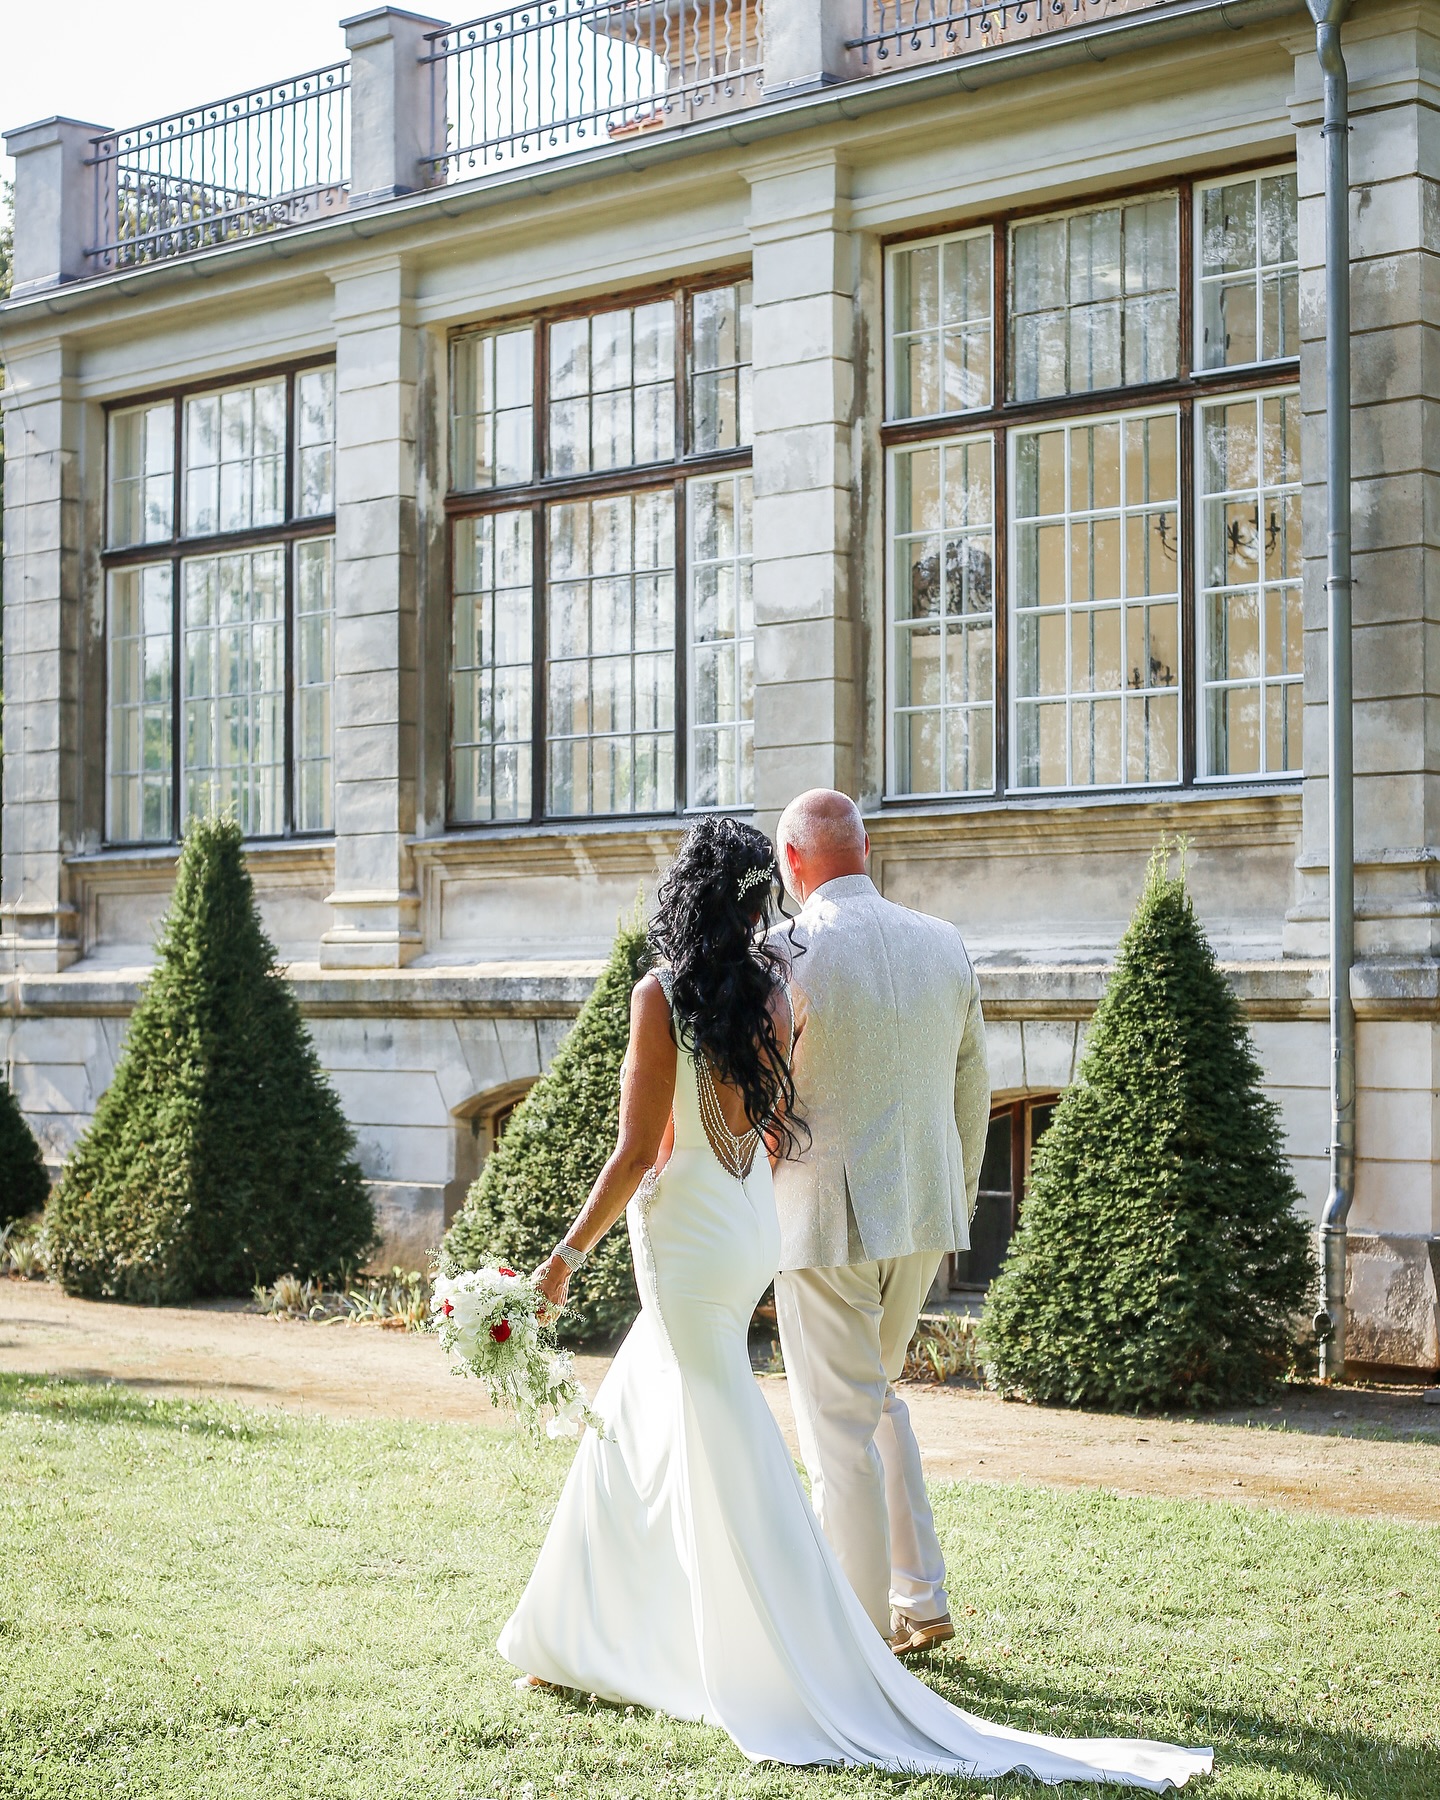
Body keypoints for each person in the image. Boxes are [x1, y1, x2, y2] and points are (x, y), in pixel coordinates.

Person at [501, 814, 1211, 1788]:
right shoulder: (775, 992)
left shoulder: (658, 995)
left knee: (729, 1426)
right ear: (762, 894)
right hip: (747, 1222)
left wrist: (562, 1258)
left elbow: (637, 1153)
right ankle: (574, 1634)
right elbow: (751, 1126)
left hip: (693, 1237)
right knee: (640, 1403)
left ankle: (810, 1637)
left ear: (688, 891)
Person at [770, 788, 988, 1655]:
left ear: (792, 862)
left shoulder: (785, 948)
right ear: (866, 848)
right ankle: (920, 1596)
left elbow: (759, 1093)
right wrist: (953, 1198)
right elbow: (973, 1086)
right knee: (874, 1401)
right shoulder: (944, 942)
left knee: (838, 1435)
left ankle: (852, 1640)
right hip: (925, 1213)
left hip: (824, 1220)